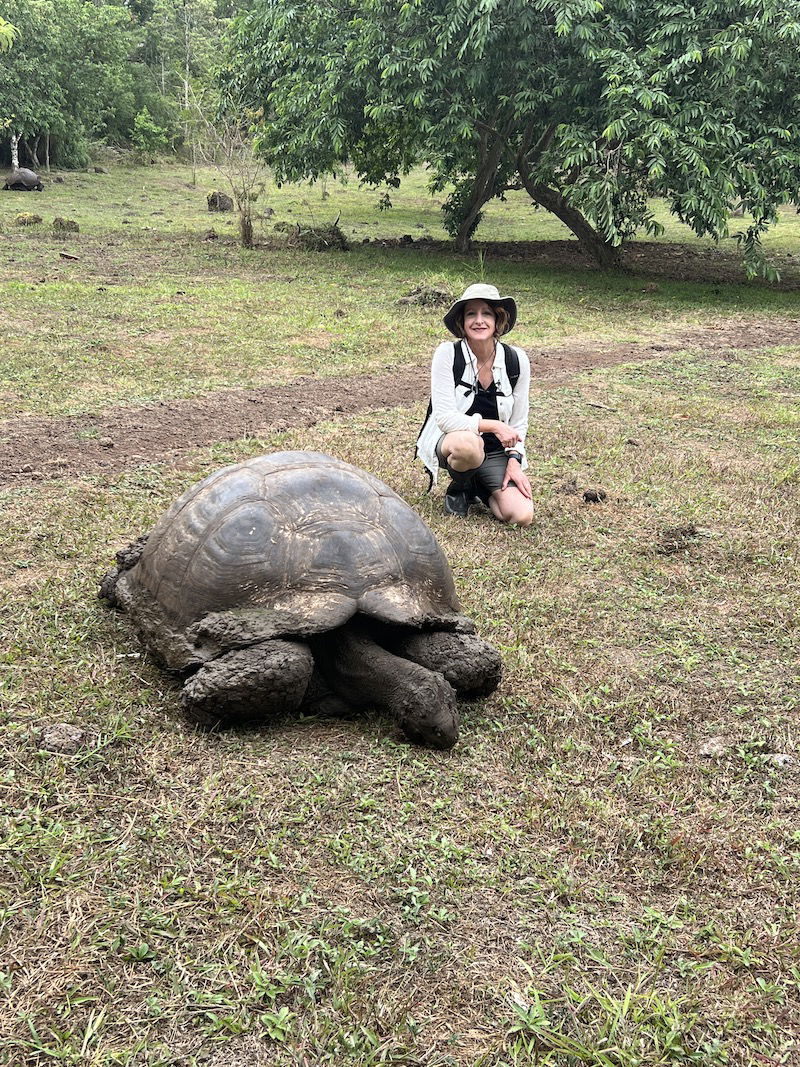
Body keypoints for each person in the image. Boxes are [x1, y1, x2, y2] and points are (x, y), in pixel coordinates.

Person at [416, 283, 533, 525]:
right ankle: (461, 485)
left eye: (486, 313)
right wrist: (495, 426)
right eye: (471, 314)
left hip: (495, 452)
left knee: (521, 516)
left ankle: (480, 485)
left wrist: (514, 461)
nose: (479, 321)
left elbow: (519, 422)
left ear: (498, 320)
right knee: (469, 445)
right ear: (462, 321)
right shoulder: (448, 354)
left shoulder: (516, 360)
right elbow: (445, 418)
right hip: (455, 443)